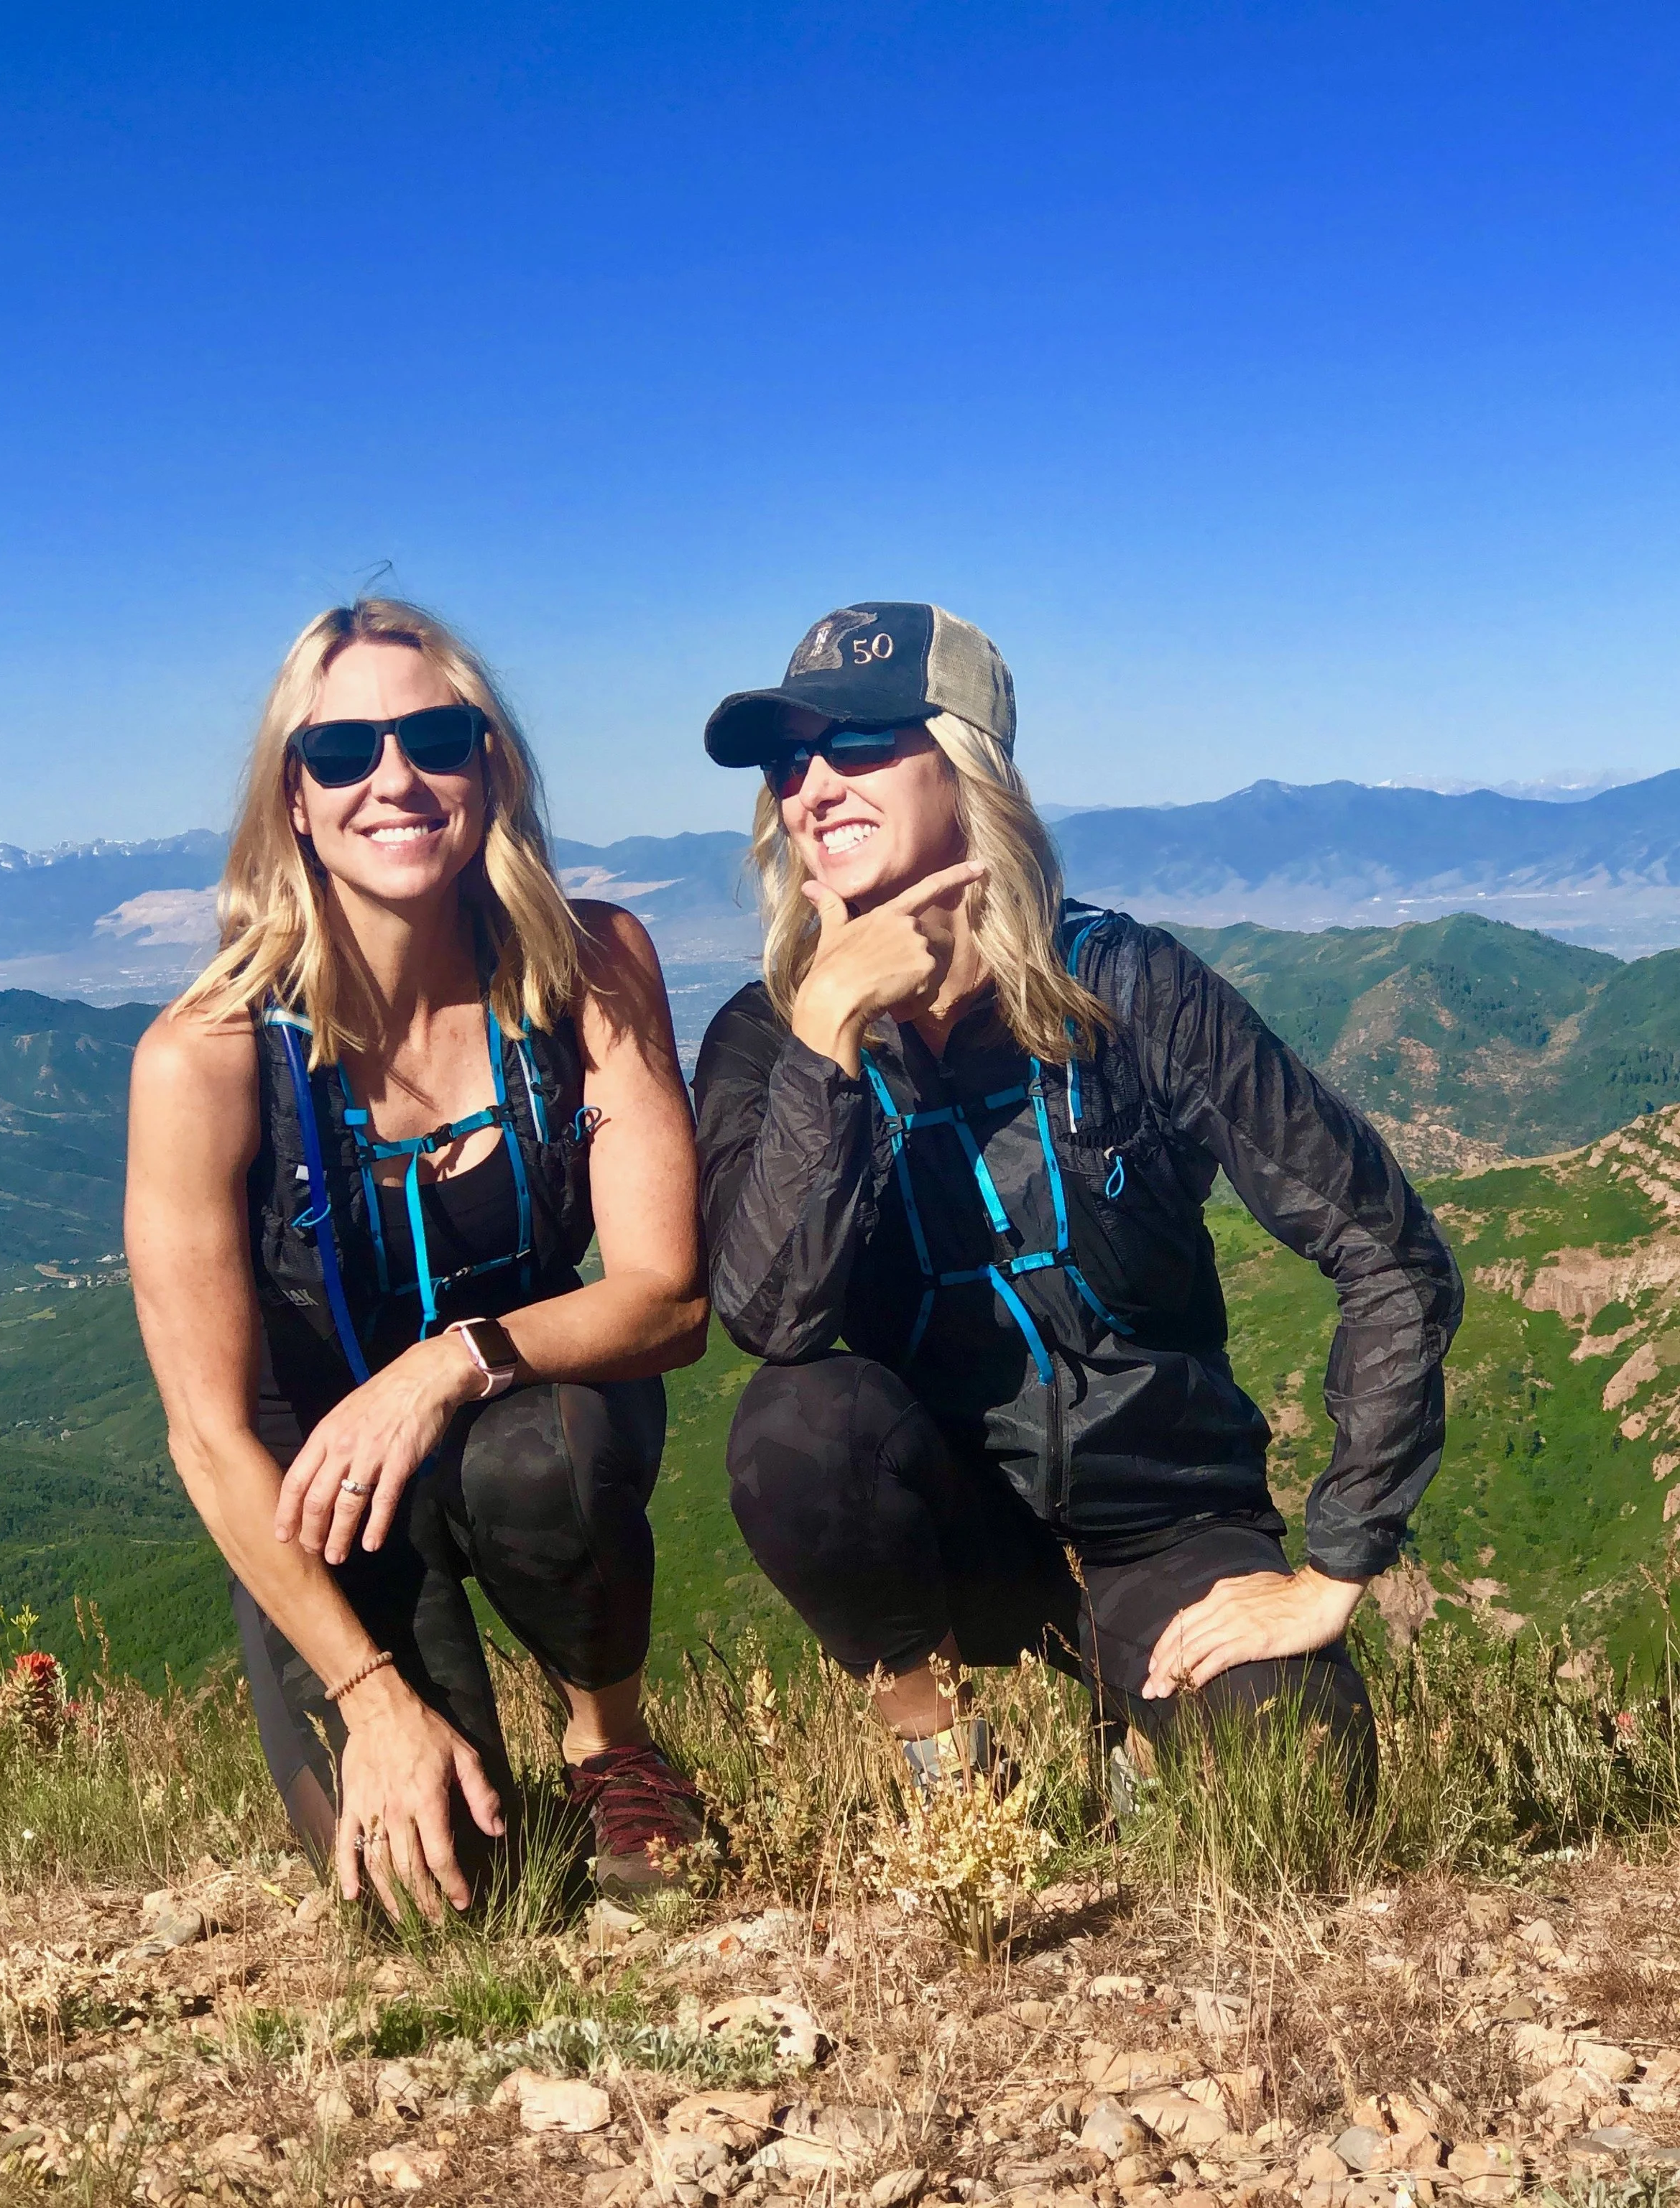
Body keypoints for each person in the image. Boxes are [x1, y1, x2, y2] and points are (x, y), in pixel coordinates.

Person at [691, 601, 1463, 1798]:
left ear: (966, 763)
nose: (813, 788)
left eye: (857, 746)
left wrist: (1336, 1566)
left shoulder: (1132, 989)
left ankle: (1127, 1715)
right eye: (789, 763)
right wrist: (828, 1031)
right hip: (949, 1523)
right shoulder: (769, 1038)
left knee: (1300, 1786)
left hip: (1166, 1523)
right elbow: (772, 1321)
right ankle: (943, 1751)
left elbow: (1391, 1253)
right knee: (795, 1425)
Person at [126, 598, 708, 1917]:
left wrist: (450, 1365)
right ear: (293, 796)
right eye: (342, 753)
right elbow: (211, 1440)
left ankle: (609, 1742)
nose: (393, 779)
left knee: (545, 1458)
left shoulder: (589, 965)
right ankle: (409, 1705)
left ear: (489, 766)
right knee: (452, 1903)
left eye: (434, 737)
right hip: (321, 1496)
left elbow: (667, 1297)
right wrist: (370, 1696)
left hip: (522, 1403)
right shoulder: (203, 1060)